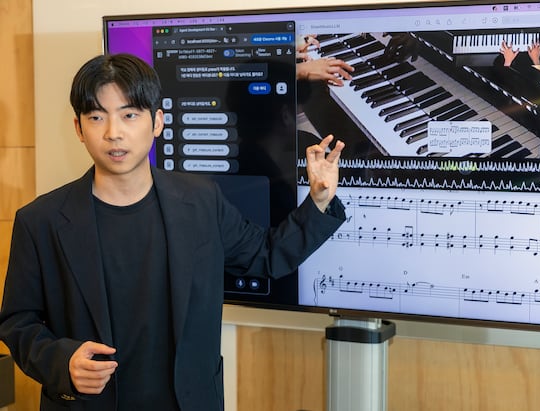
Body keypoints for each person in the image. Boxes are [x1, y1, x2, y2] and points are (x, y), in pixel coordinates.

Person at [0, 53, 346, 411]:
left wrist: (318, 201)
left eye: (129, 115)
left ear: (157, 122)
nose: (113, 132)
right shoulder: (40, 221)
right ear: (79, 128)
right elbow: (17, 321)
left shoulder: (201, 200)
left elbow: (266, 256)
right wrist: (63, 362)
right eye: (96, 117)